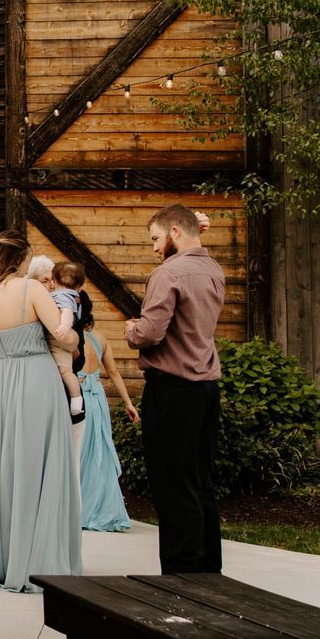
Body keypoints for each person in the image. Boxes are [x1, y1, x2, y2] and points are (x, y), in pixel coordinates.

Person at [0, 230, 82, 593]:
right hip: (34, 381)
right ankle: (35, 561)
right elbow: (63, 337)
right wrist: (71, 335)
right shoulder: (31, 290)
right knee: (37, 467)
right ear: (20, 260)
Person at [124, 203, 226, 574]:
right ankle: (207, 570)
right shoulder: (213, 269)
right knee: (199, 481)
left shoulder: (169, 273)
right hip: (205, 390)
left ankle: (182, 577)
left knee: (171, 484)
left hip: (172, 390)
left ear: (175, 233)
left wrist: (131, 330)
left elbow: (150, 333)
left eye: (155, 238)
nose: (153, 247)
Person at [77, 302, 137, 532]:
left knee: (80, 452)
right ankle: (103, 509)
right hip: (98, 399)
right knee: (98, 453)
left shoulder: (71, 340)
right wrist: (128, 403)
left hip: (79, 396)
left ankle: (81, 509)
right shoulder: (100, 338)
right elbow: (113, 372)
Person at [27, 254, 86, 422]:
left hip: (64, 389)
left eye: (52, 280)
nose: (51, 285)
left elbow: (76, 350)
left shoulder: (66, 298)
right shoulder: (29, 305)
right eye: (45, 281)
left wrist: (71, 342)